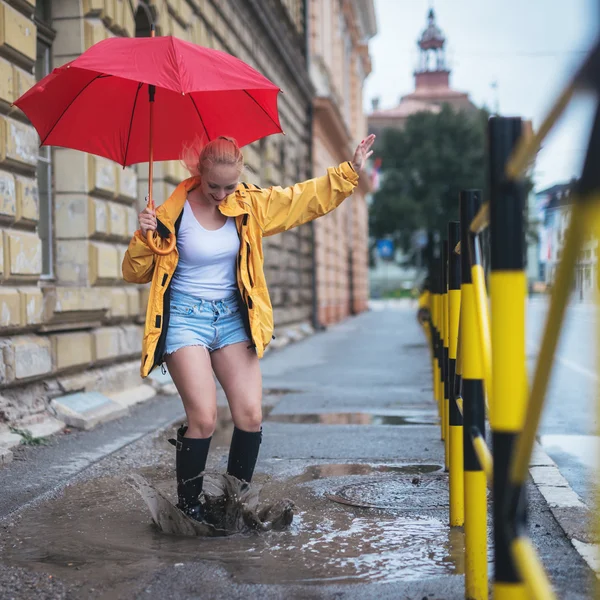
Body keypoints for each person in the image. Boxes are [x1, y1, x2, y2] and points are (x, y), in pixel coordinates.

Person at [122, 133, 376, 522]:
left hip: (232, 319)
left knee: (250, 415)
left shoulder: (249, 204)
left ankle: (232, 504)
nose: (222, 194)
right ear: (198, 173)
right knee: (204, 417)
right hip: (186, 321)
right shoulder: (170, 213)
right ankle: (189, 509)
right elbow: (134, 272)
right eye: (213, 186)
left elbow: (299, 200)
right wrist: (145, 236)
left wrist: (348, 172)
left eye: (230, 186)